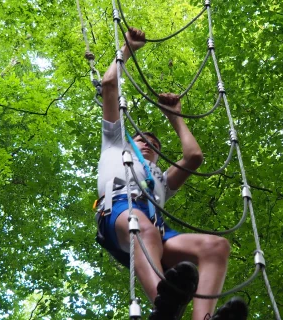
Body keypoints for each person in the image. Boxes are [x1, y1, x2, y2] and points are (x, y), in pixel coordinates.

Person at [94, 27, 248, 320]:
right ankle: (165, 307)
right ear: (131, 140)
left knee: (216, 247)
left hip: (155, 229)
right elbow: (109, 84)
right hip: (120, 213)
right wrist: (127, 48)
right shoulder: (115, 145)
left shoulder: (159, 180)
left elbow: (193, 157)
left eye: (155, 143)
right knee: (143, 227)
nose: (149, 144)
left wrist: (175, 118)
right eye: (143, 139)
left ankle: (202, 318)